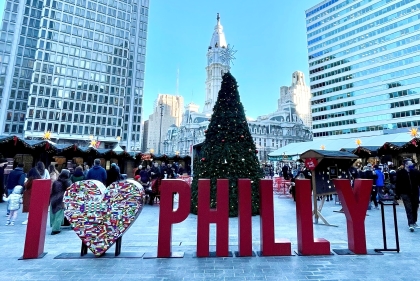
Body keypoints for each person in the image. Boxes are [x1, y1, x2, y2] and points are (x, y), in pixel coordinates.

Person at [396, 159, 420, 232]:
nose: (412, 164)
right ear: (406, 164)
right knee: (408, 208)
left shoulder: (415, 172)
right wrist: (397, 194)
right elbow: (398, 183)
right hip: (405, 193)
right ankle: (410, 223)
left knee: (415, 207)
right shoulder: (400, 173)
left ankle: (414, 221)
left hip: (415, 192)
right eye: (410, 163)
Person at [49, 169, 72, 235]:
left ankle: (54, 226)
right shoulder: (67, 181)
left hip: (53, 199)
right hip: (61, 200)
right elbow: (70, 190)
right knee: (59, 214)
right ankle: (55, 229)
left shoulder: (56, 181)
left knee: (54, 213)